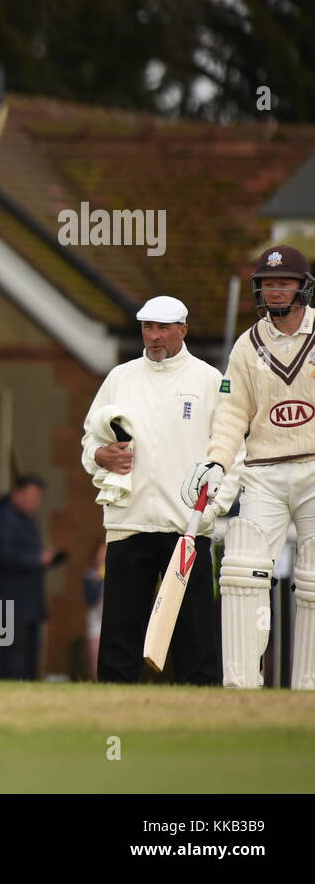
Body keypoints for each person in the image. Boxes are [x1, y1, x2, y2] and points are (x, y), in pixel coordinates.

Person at [81, 296, 236, 684]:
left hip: (186, 527)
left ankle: (199, 710)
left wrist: (213, 511)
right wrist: (101, 455)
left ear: (182, 330)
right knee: (120, 630)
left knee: (194, 632)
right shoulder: (121, 377)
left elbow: (233, 451)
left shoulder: (208, 379)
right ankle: (113, 709)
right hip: (128, 523)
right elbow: (89, 440)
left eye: (163, 328)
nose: (154, 336)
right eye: (147, 327)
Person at [183, 245, 315, 688]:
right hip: (263, 470)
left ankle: (308, 689)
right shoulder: (247, 345)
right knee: (242, 570)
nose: (275, 291)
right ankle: (241, 688)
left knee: (313, 579)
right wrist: (217, 462)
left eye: (284, 283)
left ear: (302, 287)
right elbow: (232, 414)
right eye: (268, 284)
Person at [0, 476, 51, 680]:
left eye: (39, 498)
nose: (36, 503)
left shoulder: (28, 520)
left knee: (29, 659)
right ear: (17, 494)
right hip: (12, 601)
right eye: (32, 496)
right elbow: (5, 556)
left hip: (29, 602)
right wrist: (37, 559)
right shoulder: (5, 519)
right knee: (13, 659)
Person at [83, 541, 105, 682]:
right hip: (96, 625)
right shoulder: (90, 576)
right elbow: (90, 599)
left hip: (112, 624)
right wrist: (99, 578)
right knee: (95, 659)